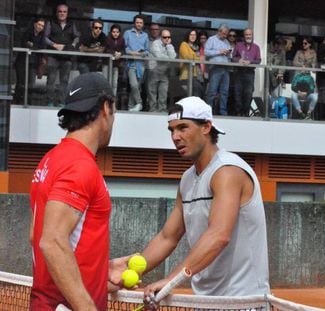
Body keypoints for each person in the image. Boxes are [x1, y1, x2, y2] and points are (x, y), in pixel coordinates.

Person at [109, 96, 270, 299]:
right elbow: (167, 237)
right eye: (172, 130)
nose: (175, 137)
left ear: (206, 127)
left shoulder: (228, 171)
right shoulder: (187, 179)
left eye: (183, 127)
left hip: (243, 301)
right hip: (205, 299)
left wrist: (172, 279)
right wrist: (133, 267)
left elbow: (218, 235)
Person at [29, 72, 117, 310]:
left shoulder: (50, 160)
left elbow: (35, 236)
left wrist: (102, 270)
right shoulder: (80, 166)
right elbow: (52, 241)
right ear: (106, 108)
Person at [44, 3, 80, 106]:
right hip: (53, 55)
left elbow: (77, 36)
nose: (62, 14)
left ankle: (61, 102)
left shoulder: (71, 24)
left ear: (67, 13)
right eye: (60, 11)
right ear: (56, 13)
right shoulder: (51, 23)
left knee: (64, 81)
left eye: (64, 12)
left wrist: (72, 44)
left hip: (66, 56)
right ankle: (49, 102)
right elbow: (45, 38)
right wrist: (54, 45)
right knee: (51, 79)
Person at [14, 17, 46, 104]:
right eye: (39, 24)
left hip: (33, 63)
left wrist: (33, 45)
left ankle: (28, 101)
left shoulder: (42, 36)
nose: (40, 27)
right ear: (35, 24)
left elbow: (41, 47)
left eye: (42, 26)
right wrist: (33, 45)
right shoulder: (28, 32)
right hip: (22, 62)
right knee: (20, 82)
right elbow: (25, 43)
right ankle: (17, 100)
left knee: (31, 84)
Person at [232, 28, 262, 116]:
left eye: (250, 35)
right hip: (239, 72)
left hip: (250, 73)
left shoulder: (256, 47)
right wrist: (239, 60)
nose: (248, 36)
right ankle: (238, 113)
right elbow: (233, 57)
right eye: (246, 35)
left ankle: (245, 113)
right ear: (244, 36)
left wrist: (250, 62)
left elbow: (259, 60)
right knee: (238, 93)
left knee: (248, 94)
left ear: (252, 36)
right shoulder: (238, 45)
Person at [147, 29, 177, 112]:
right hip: (154, 71)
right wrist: (169, 58)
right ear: (161, 37)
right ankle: (152, 110)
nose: (167, 39)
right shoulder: (155, 43)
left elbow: (173, 57)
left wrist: (168, 46)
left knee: (163, 93)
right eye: (164, 37)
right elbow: (159, 56)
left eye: (168, 37)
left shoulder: (170, 45)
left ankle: (162, 110)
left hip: (165, 72)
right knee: (152, 92)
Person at [124, 14, 149, 112]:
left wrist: (141, 53)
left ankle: (130, 107)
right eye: (137, 22)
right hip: (131, 63)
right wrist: (132, 53)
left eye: (141, 23)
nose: (139, 24)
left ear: (143, 24)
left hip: (141, 65)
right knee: (133, 85)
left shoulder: (145, 35)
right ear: (134, 23)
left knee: (136, 88)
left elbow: (147, 51)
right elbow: (124, 48)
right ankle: (140, 103)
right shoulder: (128, 33)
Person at [205, 24, 232, 115]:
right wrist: (219, 52)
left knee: (224, 92)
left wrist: (228, 53)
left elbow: (230, 55)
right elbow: (206, 52)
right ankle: (209, 111)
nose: (225, 36)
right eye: (224, 34)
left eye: (226, 34)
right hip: (215, 68)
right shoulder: (211, 40)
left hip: (225, 68)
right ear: (219, 31)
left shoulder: (226, 42)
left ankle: (223, 111)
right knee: (212, 91)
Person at [178, 29, 204, 98]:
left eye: (194, 35)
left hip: (196, 76)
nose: (193, 36)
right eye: (191, 35)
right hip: (186, 75)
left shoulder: (197, 47)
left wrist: (196, 58)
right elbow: (188, 57)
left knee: (197, 96)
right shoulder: (184, 44)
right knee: (189, 97)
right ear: (188, 36)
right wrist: (199, 58)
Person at [104, 24, 126, 104]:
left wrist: (120, 53)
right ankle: (105, 100)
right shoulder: (107, 38)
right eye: (114, 32)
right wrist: (114, 53)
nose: (115, 33)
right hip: (107, 64)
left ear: (120, 32)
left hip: (116, 64)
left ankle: (112, 100)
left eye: (117, 32)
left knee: (114, 83)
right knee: (106, 81)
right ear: (111, 32)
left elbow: (124, 50)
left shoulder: (122, 40)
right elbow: (106, 49)